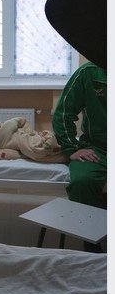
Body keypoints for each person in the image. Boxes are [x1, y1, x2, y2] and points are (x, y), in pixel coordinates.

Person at [52, 62, 106, 250]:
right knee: (82, 182)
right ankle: (93, 251)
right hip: (98, 148)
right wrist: (71, 147)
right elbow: (62, 113)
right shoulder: (88, 72)